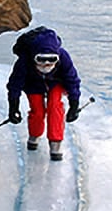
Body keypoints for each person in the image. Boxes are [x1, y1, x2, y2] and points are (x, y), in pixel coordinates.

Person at [6, 27, 81, 160]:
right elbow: (15, 84)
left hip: (55, 83)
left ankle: (55, 142)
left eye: (51, 60)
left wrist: (74, 105)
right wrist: (14, 107)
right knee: (37, 110)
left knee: (54, 105)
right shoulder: (25, 60)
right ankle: (34, 135)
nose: (46, 64)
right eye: (41, 60)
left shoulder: (64, 57)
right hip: (33, 84)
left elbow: (72, 80)